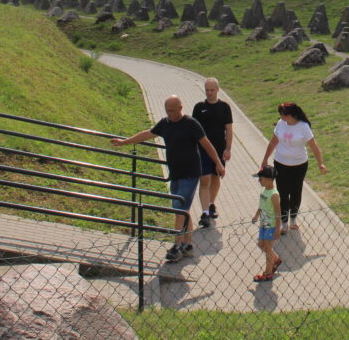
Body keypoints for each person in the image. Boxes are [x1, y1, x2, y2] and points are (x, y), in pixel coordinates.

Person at [111, 95, 225, 262]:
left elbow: (207, 144)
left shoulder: (191, 124)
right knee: (182, 209)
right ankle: (188, 244)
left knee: (179, 209)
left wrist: (218, 164)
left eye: (172, 110)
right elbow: (147, 134)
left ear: (180, 107)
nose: (170, 114)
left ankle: (176, 246)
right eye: (167, 111)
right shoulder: (165, 123)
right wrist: (124, 142)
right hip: (175, 173)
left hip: (190, 173)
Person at [259, 102, 326, 234]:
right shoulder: (280, 124)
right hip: (281, 163)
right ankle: (284, 222)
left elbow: (313, 146)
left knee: (296, 192)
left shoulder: (303, 127)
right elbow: (273, 141)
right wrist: (265, 158)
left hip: (299, 165)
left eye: (282, 114)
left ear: (289, 115)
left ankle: (293, 218)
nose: (281, 117)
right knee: (283, 193)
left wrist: (320, 163)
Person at [192, 77, 234, 228]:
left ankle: (211, 204)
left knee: (216, 178)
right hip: (202, 150)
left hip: (219, 149)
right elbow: (193, 129)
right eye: (207, 90)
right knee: (204, 180)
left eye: (212, 90)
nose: (209, 93)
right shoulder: (198, 107)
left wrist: (228, 149)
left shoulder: (224, 107)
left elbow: (228, 129)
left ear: (217, 89)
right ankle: (204, 213)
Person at [251, 165, 282, 282]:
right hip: (263, 224)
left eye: (261, 179)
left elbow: (278, 213)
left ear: (269, 179)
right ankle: (276, 259)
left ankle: (268, 273)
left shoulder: (274, 194)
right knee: (261, 244)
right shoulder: (264, 190)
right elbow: (261, 206)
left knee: (268, 249)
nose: (259, 181)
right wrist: (256, 215)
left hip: (272, 226)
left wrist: (277, 229)